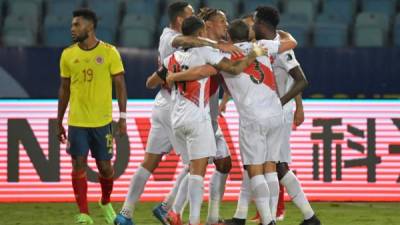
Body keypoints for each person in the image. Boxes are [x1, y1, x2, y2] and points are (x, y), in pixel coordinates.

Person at [115, 2, 241, 225]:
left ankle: (126, 212)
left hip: (168, 105)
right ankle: (172, 210)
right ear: (181, 21)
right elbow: (189, 43)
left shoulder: (183, 52)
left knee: (150, 162)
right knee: (196, 166)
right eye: (193, 15)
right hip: (182, 109)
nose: (198, 17)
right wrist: (219, 46)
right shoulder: (172, 38)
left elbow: (152, 81)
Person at [167, 18, 297, 225]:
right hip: (275, 114)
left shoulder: (222, 54)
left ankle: (267, 221)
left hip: (252, 118)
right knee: (271, 166)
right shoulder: (261, 45)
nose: (224, 25)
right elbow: (291, 43)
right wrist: (277, 30)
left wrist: (176, 76)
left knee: (254, 170)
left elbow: (207, 69)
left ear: (229, 36)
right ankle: (270, 215)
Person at [57, 8, 127, 225]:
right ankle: (84, 213)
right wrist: (59, 120)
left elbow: (120, 86)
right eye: (72, 25)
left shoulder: (109, 52)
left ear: (90, 26)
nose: (72, 29)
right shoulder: (68, 54)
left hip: (102, 122)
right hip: (77, 121)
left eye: (76, 25)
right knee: (78, 165)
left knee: (106, 168)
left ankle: (105, 202)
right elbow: (64, 89)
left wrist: (122, 117)